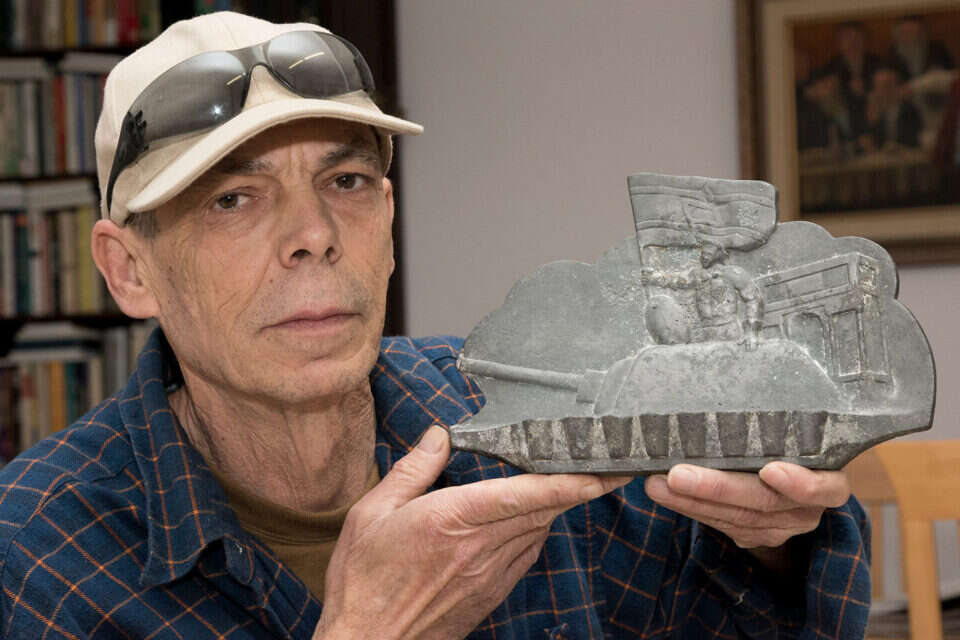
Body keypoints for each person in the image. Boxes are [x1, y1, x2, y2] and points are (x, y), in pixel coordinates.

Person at [0, 12, 870, 639]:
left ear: (387, 221)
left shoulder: (510, 403)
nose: (314, 235)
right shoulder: (35, 553)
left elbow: (731, 611)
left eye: (345, 183)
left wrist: (771, 540)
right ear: (129, 270)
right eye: (233, 199)